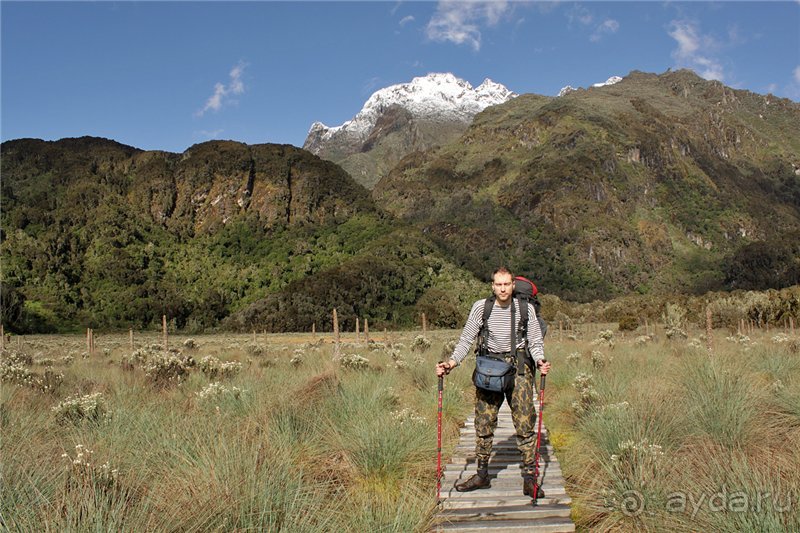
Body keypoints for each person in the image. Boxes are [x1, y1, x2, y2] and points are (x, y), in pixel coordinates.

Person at [436, 267, 551, 497]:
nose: (502, 289)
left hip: (520, 371)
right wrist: (451, 363)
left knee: (525, 425)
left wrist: (540, 361)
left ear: (513, 285)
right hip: (489, 370)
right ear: (492, 286)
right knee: (483, 423)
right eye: (498, 284)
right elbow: (467, 338)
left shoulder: (525, 309)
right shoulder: (481, 308)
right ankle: (482, 475)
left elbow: (535, 340)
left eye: (506, 284)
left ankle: (529, 479)